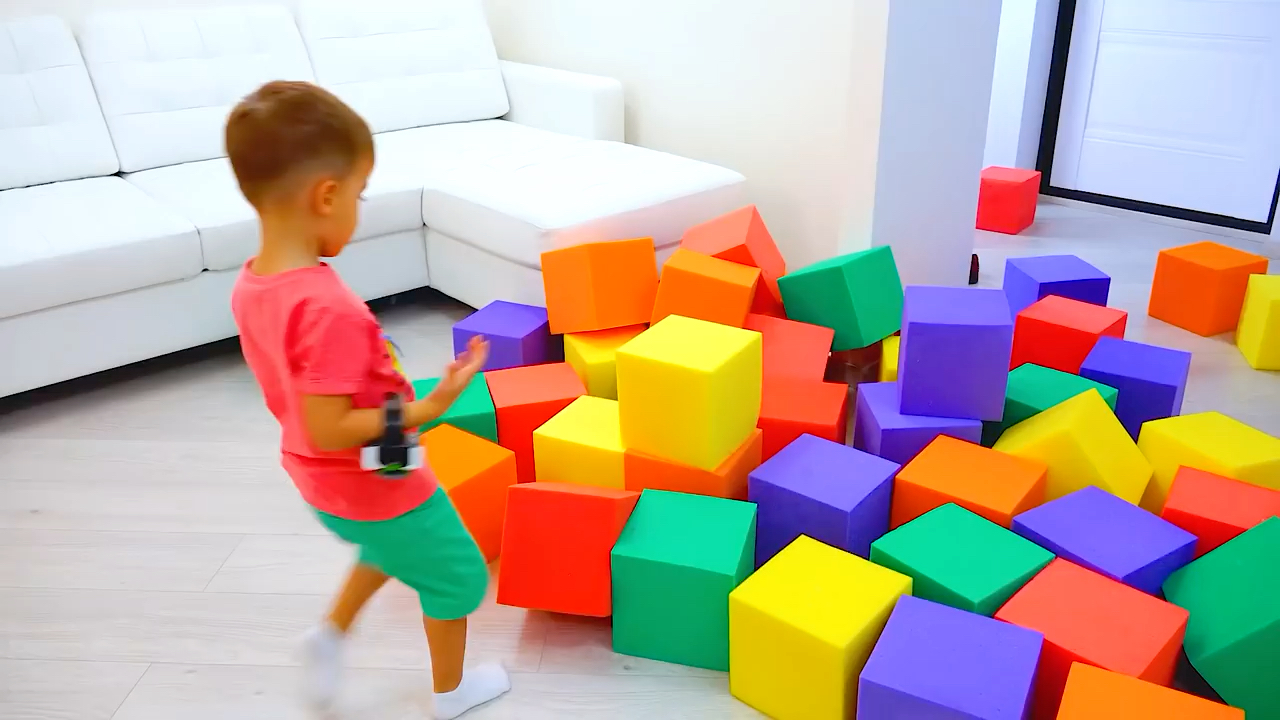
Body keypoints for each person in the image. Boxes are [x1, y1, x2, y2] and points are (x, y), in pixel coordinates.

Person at [226, 80, 509, 719]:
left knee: (384, 549)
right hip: (369, 477)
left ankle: (327, 637)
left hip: (323, 480)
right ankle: (453, 693)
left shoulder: (254, 284)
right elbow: (331, 426)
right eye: (358, 193)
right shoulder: (327, 309)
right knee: (456, 574)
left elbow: (308, 395)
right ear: (325, 196)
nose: (359, 207)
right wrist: (429, 408)